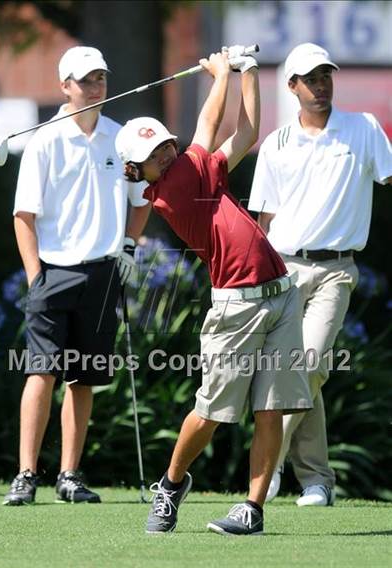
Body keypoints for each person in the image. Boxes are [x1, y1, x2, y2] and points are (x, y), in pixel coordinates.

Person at [115, 47, 313, 536]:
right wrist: (220, 73)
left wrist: (247, 73)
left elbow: (246, 133)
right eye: (152, 156)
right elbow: (208, 124)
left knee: (270, 409)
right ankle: (171, 483)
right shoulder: (172, 189)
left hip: (280, 294)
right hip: (236, 309)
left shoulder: (198, 173)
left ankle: (252, 508)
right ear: (139, 173)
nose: (163, 154)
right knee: (212, 412)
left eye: (164, 145)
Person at [3, 46, 150, 506]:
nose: (94, 88)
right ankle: (26, 475)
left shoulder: (121, 138)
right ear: (65, 84)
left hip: (103, 273)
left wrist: (127, 246)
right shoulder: (45, 139)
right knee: (41, 372)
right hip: (53, 272)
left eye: (100, 79)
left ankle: (69, 475)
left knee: (83, 379)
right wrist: (35, 278)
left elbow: (141, 200)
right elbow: (23, 215)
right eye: (85, 80)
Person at [248, 42, 392, 507]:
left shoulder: (363, 128)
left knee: (307, 365)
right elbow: (261, 220)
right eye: (311, 79)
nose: (321, 85)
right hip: (283, 267)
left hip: (335, 270)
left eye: (326, 76)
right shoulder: (276, 143)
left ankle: (266, 470)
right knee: (297, 373)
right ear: (292, 87)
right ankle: (317, 481)